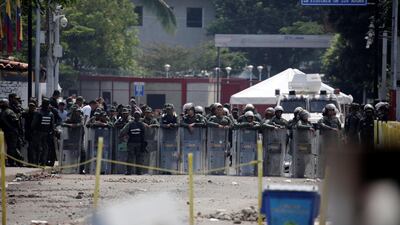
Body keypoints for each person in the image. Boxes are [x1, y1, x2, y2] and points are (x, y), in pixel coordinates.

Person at [119, 111, 146, 175]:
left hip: (131, 143)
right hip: (139, 143)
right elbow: (145, 134)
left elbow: (123, 131)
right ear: (139, 117)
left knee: (130, 157)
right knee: (139, 158)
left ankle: (129, 171)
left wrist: (120, 136)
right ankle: (139, 172)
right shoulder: (142, 124)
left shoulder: (130, 124)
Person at [31, 98, 55, 165]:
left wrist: (32, 131)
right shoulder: (51, 114)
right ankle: (43, 162)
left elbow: (33, 124)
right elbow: (52, 126)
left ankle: (36, 162)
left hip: (38, 133)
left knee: (36, 148)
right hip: (46, 133)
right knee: (45, 148)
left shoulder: (38, 113)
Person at [0, 98, 23, 166]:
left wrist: (18, 131)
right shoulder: (2, 112)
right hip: (6, 132)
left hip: (12, 132)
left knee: (12, 148)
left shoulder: (9, 112)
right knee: (11, 148)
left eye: (2, 103)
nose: (1, 104)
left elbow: (16, 121)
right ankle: (15, 162)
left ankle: (16, 161)